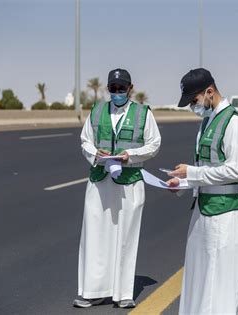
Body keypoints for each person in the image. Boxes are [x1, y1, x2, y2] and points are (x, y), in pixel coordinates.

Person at [167, 68, 238, 314]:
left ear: (209, 92)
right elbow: (206, 168)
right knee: (201, 279)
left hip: (228, 215)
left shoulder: (234, 122)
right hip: (205, 211)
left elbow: (236, 170)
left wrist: (191, 174)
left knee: (222, 285)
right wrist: (182, 183)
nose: (193, 106)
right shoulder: (207, 122)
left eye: (194, 101)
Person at [74, 68, 161, 308]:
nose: (117, 92)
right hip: (100, 179)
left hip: (129, 182)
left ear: (130, 88)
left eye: (121, 89)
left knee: (125, 237)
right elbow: (85, 141)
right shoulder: (97, 110)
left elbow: (154, 144)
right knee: (95, 234)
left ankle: (123, 293)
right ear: (108, 89)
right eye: (113, 89)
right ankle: (93, 291)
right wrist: (95, 154)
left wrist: (129, 155)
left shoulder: (143, 113)